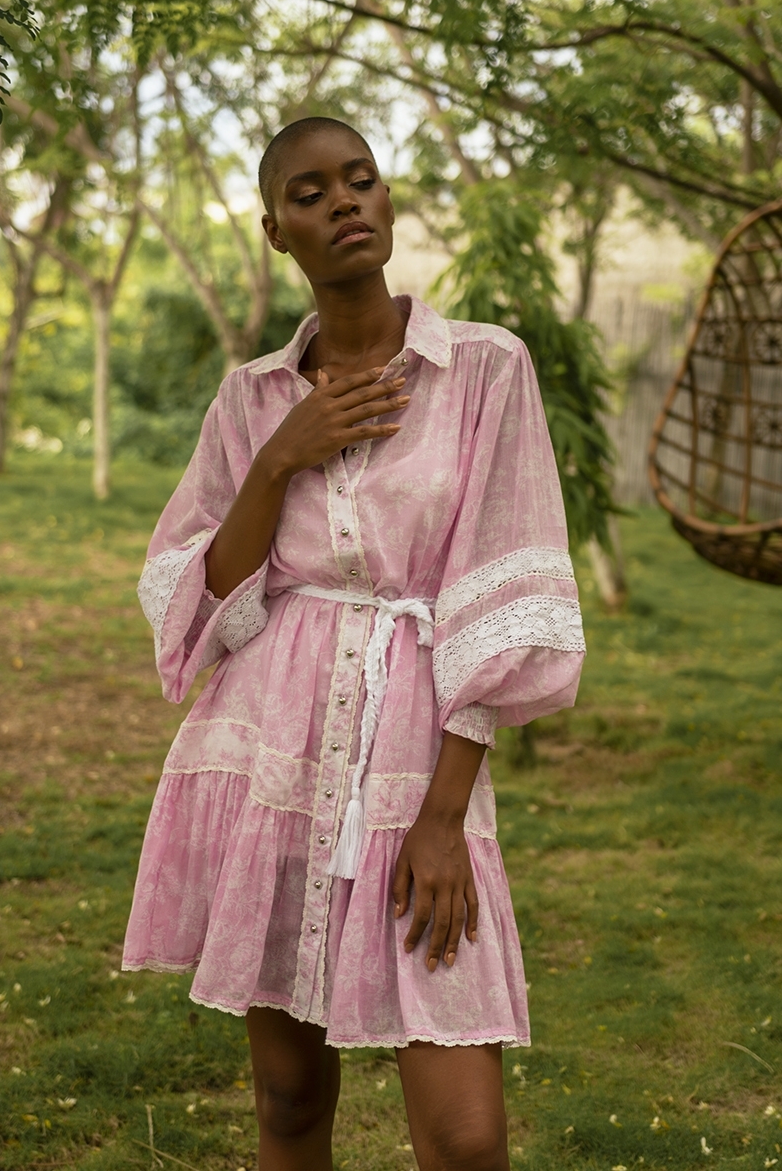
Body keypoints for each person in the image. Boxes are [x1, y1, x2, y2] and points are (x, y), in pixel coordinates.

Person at [122, 116, 585, 1171]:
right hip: (268, 754)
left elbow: (494, 592)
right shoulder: (249, 398)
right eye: (308, 192)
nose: (340, 202)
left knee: (463, 1137)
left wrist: (440, 816)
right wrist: (279, 458)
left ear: (387, 203)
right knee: (287, 1102)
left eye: (359, 181)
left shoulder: (482, 372)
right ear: (275, 231)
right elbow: (205, 603)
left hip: (415, 762)